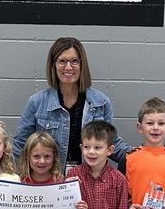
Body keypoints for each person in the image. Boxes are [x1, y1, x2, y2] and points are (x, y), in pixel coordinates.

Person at [12, 36, 129, 171]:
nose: (68, 67)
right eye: (62, 61)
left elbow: (111, 143)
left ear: (82, 64)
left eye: (74, 61)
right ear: (53, 65)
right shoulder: (37, 102)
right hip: (50, 181)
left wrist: (144, 155)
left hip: (87, 182)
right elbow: (20, 145)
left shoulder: (101, 103)